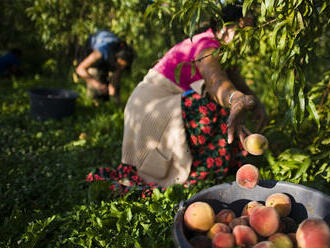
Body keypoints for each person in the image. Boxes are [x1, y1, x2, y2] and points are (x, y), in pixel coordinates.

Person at [86, 4, 267, 197]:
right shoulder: (206, 45)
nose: (246, 35)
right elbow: (216, 82)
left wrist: (254, 102)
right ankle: (200, 170)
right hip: (150, 107)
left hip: (162, 103)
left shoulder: (224, 51)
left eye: (249, 30)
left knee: (214, 103)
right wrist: (234, 99)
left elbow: (234, 80)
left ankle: (208, 166)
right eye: (242, 27)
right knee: (209, 107)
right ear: (225, 26)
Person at [75, 30, 135, 105]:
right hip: (91, 57)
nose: (120, 68)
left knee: (110, 92)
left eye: (122, 67)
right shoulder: (101, 51)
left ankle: (114, 106)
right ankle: (93, 105)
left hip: (108, 58)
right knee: (95, 76)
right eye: (119, 65)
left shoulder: (122, 53)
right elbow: (80, 69)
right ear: (116, 58)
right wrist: (97, 85)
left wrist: (113, 87)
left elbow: (117, 73)